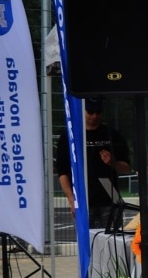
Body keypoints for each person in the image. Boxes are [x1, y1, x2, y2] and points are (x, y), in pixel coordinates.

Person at [55, 97, 131, 229]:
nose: (94, 116)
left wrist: (113, 163)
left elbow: (126, 168)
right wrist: (72, 200)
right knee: (86, 238)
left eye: (98, 112)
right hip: (83, 197)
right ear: (83, 111)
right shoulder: (69, 136)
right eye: (90, 112)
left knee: (113, 237)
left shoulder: (112, 135)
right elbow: (63, 172)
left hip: (109, 197)